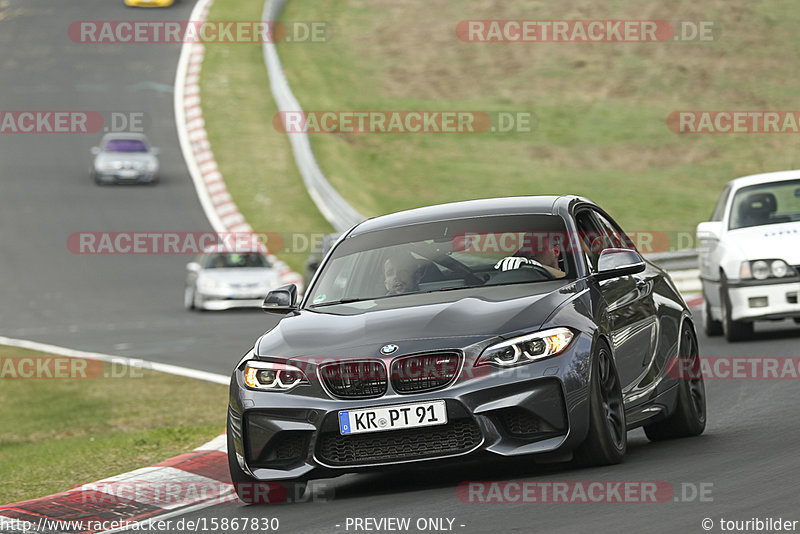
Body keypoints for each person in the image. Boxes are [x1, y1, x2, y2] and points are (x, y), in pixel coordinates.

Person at [494, 232, 566, 278]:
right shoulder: (517, 277)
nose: (531, 254)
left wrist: (538, 267)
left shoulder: (569, 281)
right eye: (527, 249)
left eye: (538, 248)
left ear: (556, 251)